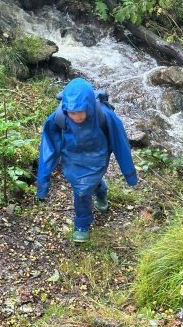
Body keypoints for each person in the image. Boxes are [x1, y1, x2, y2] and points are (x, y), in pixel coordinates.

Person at [36, 78, 138, 243]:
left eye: (80, 111)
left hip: (97, 157)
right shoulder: (59, 117)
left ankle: (81, 225)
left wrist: (129, 174)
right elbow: (48, 149)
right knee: (86, 185)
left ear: (89, 106)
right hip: (72, 158)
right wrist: (43, 181)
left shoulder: (105, 115)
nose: (76, 116)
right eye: (72, 112)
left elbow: (120, 144)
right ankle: (101, 192)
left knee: (82, 191)